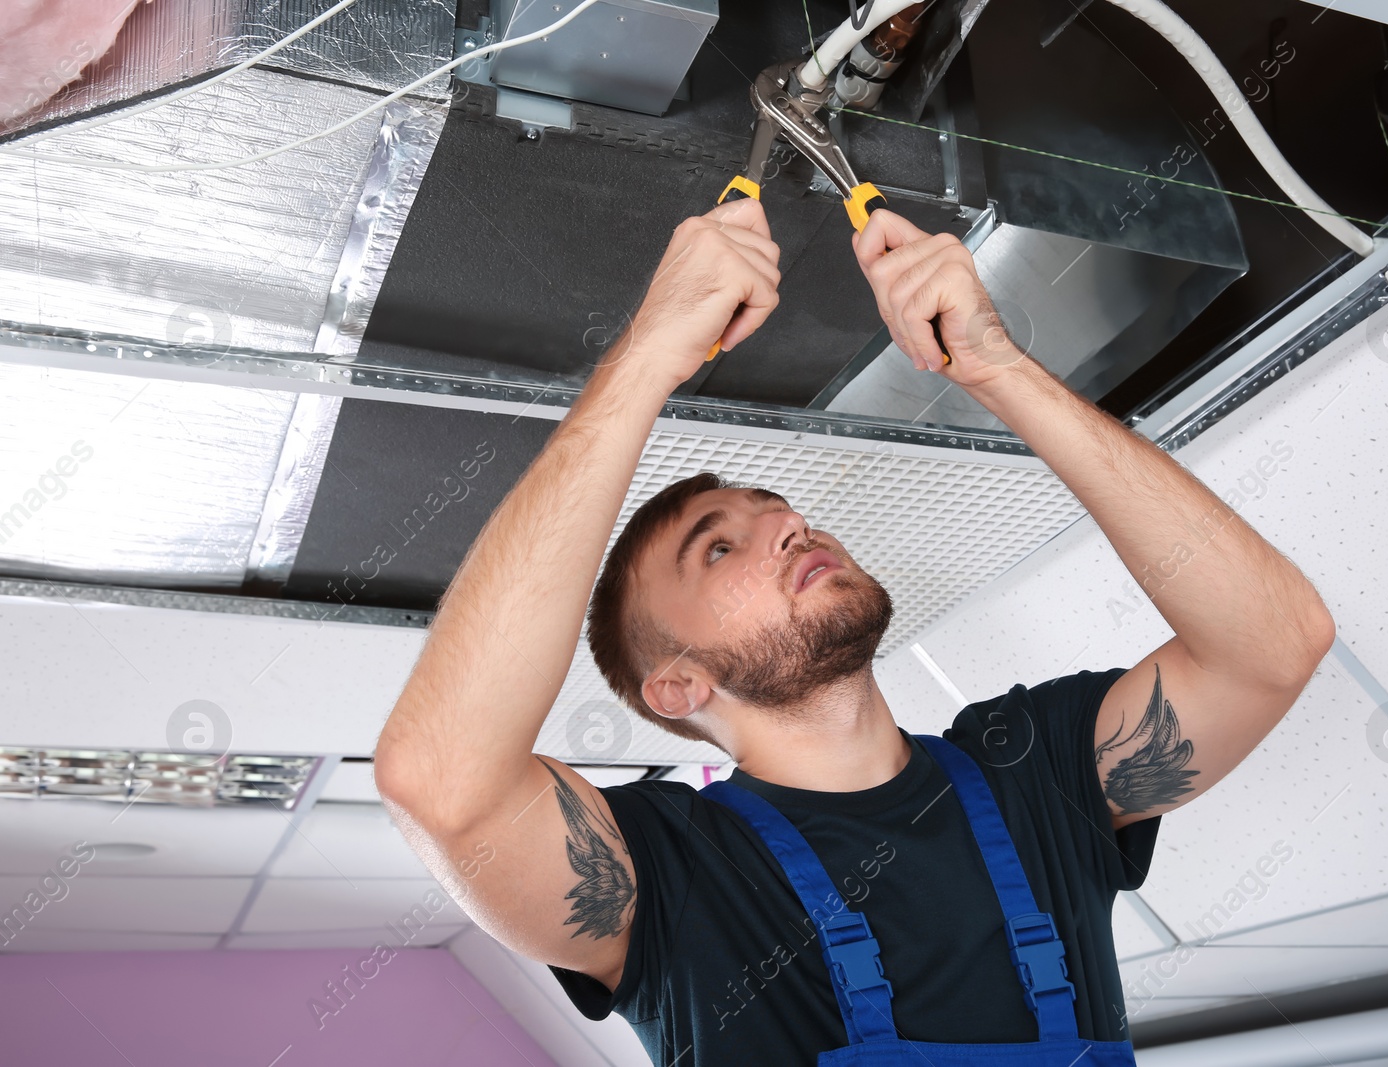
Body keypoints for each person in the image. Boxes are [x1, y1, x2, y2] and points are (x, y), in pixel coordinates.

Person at [373, 197, 1336, 1065]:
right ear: (676, 685)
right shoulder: (665, 878)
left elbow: (1274, 643)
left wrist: (996, 366)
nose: (791, 523)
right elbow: (441, 783)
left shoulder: (1036, 768)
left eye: (778, 508)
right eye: (719, 549)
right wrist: (645, 358)